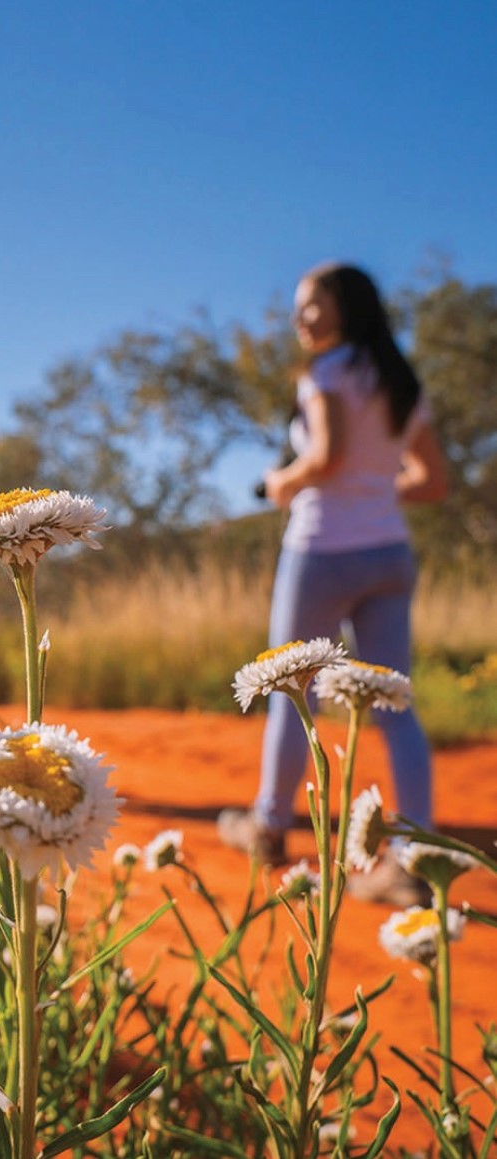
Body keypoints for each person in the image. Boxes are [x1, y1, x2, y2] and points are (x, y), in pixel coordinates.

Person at [218, 262, 449, 903]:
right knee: (396, 705)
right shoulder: (399, 380)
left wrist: (277, 483)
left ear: (344, 308)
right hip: (389, 554)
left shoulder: (324, 372)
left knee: (294, 692)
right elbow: (431, 481)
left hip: (322, 551)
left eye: (310, 306)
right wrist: (376, 490)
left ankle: (268, 827)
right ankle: (416, 858)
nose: (299, 320)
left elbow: (327, 457)